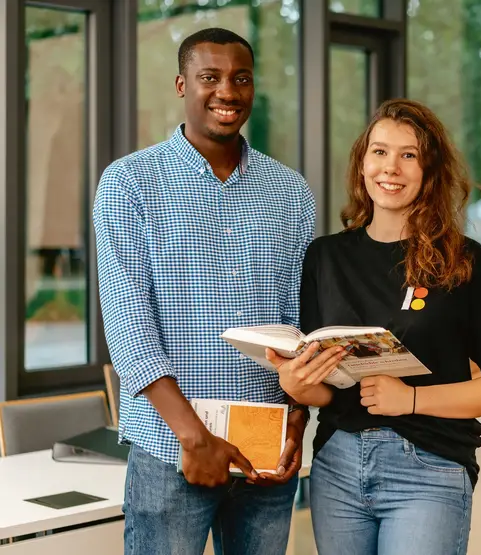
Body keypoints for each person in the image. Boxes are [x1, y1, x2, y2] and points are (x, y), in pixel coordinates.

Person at [266, 99, 481, 555]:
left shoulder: (464, 261)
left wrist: (409, 398)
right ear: (362, 162)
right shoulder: (325, 257)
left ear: (429, 170)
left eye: (408, 155)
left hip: (429, 467)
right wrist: (297, 383)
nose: (392, 167)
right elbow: (330, 389)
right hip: (338, 466)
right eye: (380, 152)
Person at [93, 28, 317, 555]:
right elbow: (128, 325)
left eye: (241, 78)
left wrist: (296, 423)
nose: (227, 92)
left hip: (265, 448)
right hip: (173, 448)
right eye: (209, 77)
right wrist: (193, 437)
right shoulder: (130, 182)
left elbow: (298, 322)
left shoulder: (290, 190)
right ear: (181, 84)